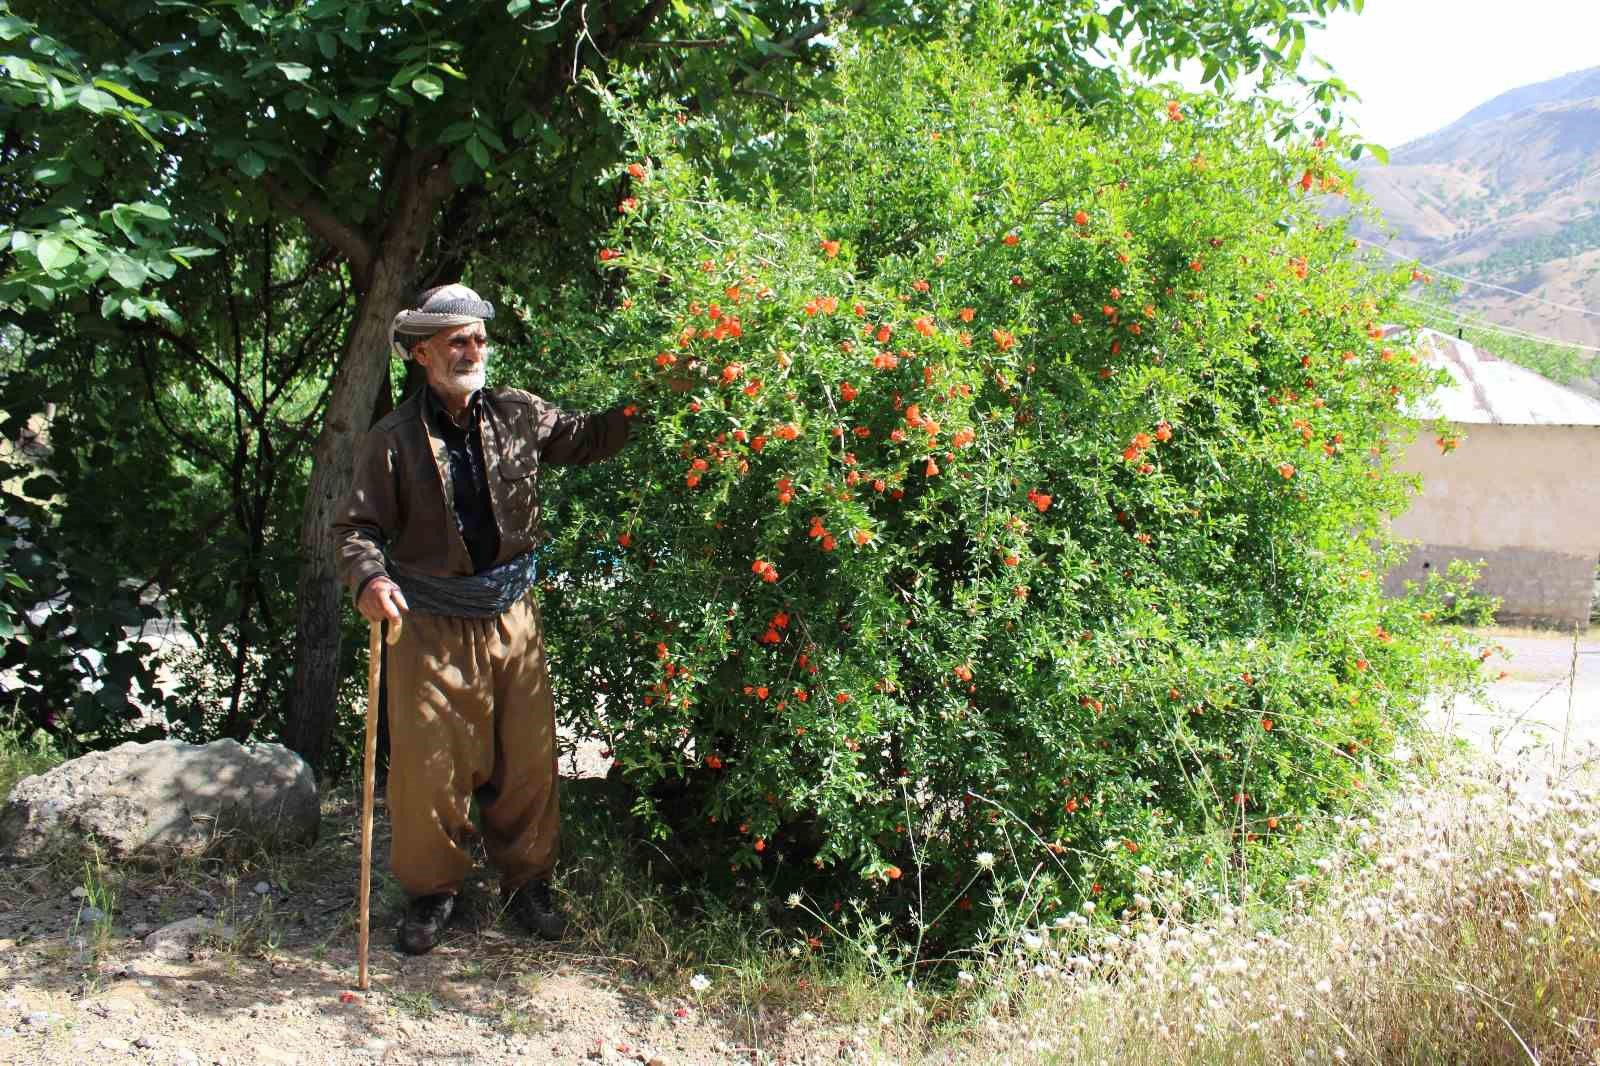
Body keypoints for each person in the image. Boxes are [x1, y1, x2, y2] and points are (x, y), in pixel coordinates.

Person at [333, 283, 636, 955]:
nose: (473, 350)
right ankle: (433, 893)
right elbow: (355, 528)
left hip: (512, 613)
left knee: (527, 758)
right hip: (428, 620)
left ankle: (528, 885)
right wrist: (371, 579)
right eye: (456, 341)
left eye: (478, 339)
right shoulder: (392, 440)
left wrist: (651, 401)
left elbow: (586, 439)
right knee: (430, 765)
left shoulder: (518, 412)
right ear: (421, 354)